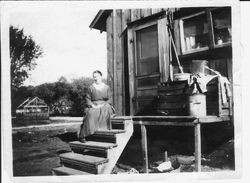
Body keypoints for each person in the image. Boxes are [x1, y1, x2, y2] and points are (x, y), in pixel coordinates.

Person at [78, 70, 115, 143]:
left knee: (105, 110)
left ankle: (104, 134)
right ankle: (83, 135)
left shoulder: (106, 87)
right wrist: (92, 106)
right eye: (94, 77)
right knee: (91, 114)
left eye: (97, 76)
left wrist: (103, 104)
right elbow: (87, 99)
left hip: (105, 105)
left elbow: (110, 99)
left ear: (101, 77)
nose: (96, 78)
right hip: (94, 105)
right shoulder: (91, 87)